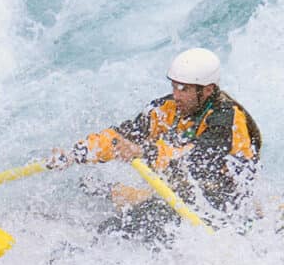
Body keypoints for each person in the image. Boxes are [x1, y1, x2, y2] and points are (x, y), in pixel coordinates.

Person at [52, 47, 262, 240]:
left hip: (220, 203)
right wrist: (75, 154)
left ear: (207, 90)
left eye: (184, 89)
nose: (176, 95)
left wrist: (145, 152)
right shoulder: (169, 108)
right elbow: (121, 137)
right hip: (182, 195)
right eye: (174, 87)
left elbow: (197, 160)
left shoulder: (228, 120)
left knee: (125, 229)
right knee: (99, 202)